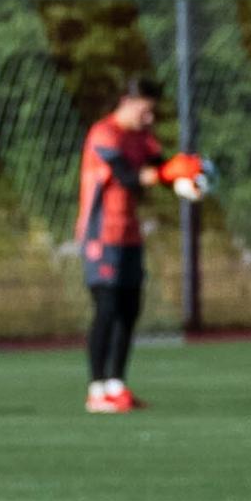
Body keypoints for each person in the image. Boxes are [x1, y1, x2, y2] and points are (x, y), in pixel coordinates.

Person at [78, 77, 165, 412]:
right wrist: (169, 175)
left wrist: (188, 173)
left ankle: (117, 385)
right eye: (146, 110)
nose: (150, 119)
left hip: (130, 234)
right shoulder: (104, 134)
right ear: (127, 101)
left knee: (130, 309)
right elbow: (128, 177)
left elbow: (160, 164)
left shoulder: (141, 137)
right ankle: (96, 390)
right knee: (107, 307)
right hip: (101, 235)